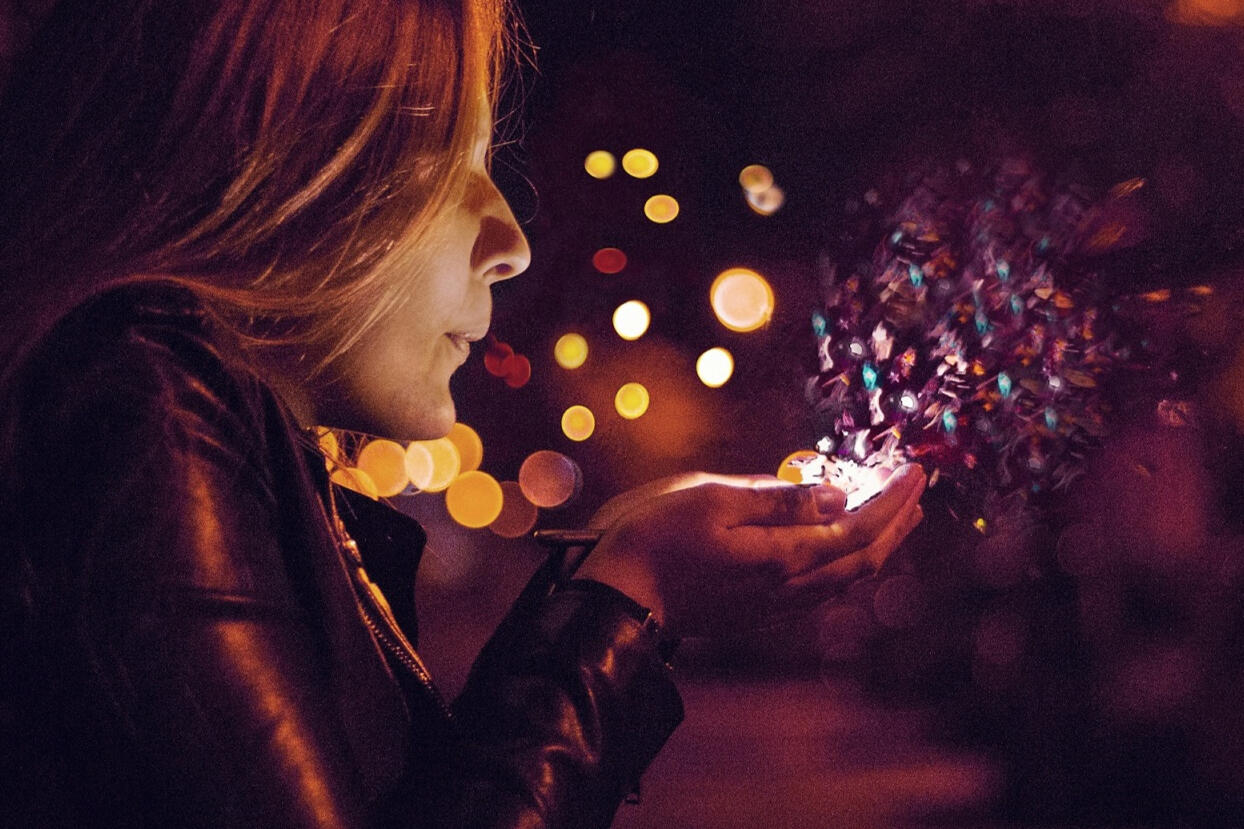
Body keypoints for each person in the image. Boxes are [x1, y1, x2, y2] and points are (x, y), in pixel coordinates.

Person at [0, 1, 927, 826]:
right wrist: (630, 596)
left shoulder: (204, 437)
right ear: (287, 165)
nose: (511, 244)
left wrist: (611, 586)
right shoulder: (142, 396)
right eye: (459, 164)